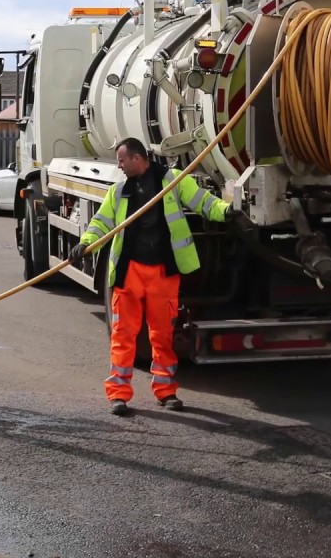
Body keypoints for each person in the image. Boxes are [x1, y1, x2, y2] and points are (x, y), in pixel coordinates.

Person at [70, 137, 234, 416]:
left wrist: (227, 211)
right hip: (129, 273)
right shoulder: (118, 191)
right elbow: (101, 222)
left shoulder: (172, 181)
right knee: (123, 335)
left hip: (162, 273)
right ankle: (118, 395)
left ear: (137, 158)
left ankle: (166, 391)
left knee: (163, 336)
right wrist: (86, 243)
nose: (119, 166)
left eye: (121, 160)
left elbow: (203, 202)